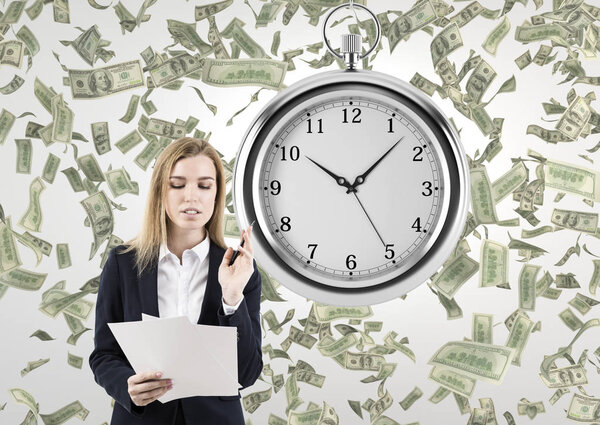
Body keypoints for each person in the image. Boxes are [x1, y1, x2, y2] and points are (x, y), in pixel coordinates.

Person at [89, 137, 262, 424]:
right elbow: (104, 355)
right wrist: (127, 385)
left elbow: (247, 373)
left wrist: (232, 299)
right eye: (178, 185)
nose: (191, 197)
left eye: (204, 186)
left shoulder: (240, 269)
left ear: (217, 195)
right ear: (160, 192)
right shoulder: (123, 263)